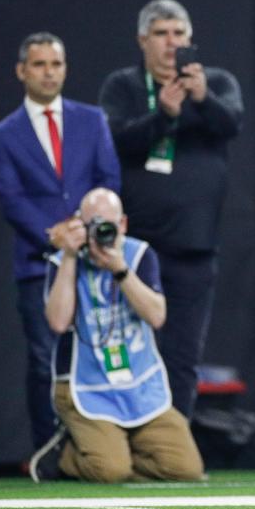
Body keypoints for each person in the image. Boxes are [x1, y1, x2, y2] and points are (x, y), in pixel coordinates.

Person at [98, 0, 243, 419]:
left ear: (191, 39)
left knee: (182, 353)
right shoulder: (123, 86)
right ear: (142, 40)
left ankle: (173, 445)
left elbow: (232, 123)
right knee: (125, 345)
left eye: (178, 34)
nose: (170, 43)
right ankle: (121, 434)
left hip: (193, 247)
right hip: (135, 249)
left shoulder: (215, 81)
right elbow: (114, 141)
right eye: (161, 34)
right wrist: (162, 115)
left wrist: (201, 99)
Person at [0, 32, 121, 450]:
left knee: (98, 358)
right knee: (45, 360)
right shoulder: (4, 135)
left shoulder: (91, 119)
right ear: (22, 71)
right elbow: (11, 199)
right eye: (40, 64)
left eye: (56, 64)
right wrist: (57, 235)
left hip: (94, 260)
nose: (49, 72)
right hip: (37, 263)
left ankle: (101, 446)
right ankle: (49, 451)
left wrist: (83, 232)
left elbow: (109, 179)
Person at [29, 188, 204, 483]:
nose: (101, 233)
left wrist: (119, 269)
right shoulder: (63, 262)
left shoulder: (138, 255)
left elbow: (157, 316)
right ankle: (63, 456)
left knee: (185, 469)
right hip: (85, 384)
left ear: (122, 225)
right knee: (110, 471)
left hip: (138, 384)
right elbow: (58, 322)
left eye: (108, 226)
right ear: (80, 225)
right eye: (93, 225)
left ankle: (112, 451)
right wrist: (71, 257)